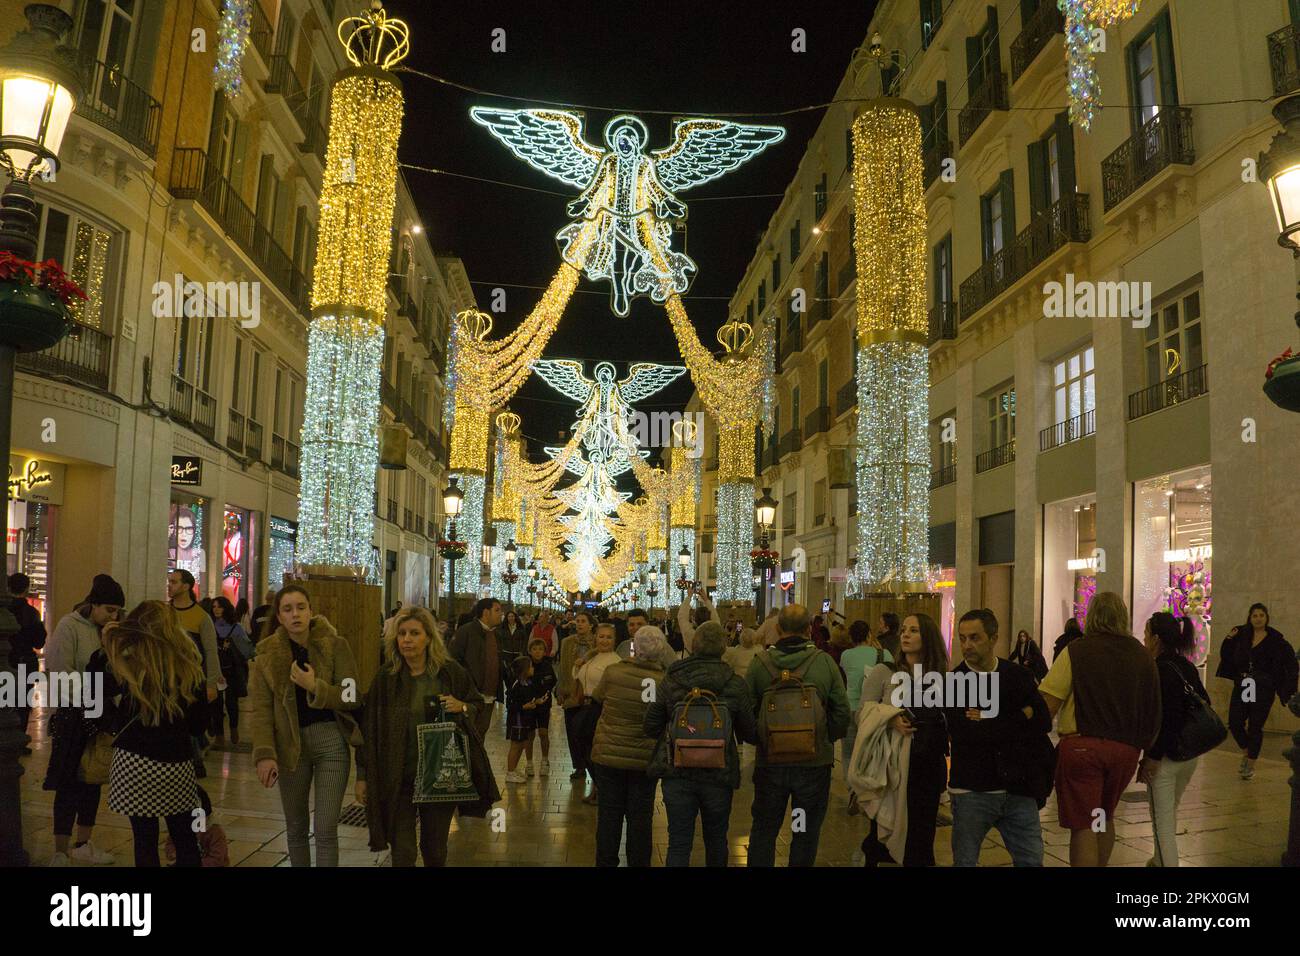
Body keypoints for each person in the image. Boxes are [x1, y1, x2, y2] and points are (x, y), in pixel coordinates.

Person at [355, 606, 497, 867]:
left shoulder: (449, 673)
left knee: (434, 850)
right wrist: (362, 775)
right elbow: (369, 729)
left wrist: (461, 706)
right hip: (398, 777)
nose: (406, 639)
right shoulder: (386, 678)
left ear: (429, 637)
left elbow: (476, 703)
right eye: (402, 634)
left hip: (438, 777)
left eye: (414, 633)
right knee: (403, 853)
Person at [1037, 591, 1161, 867]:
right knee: (1103, 816)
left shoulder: (1077, 651)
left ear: (1091, 617)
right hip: (1125, 751)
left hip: (1083, 748)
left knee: (1084, 824)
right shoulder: (1142, 656)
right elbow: (1153, 710)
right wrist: (1150, 755)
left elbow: (1048, 703)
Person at [249, 584, 361, 867]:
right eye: (288, 609)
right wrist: (264, 754)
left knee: (325, 828)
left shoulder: (336, 645)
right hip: (290, 746)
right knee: (296, 827)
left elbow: (352, 695)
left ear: (311, 611)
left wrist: (316, 687)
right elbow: (261, 712)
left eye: (301, 607)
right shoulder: (266, 656)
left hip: (330, 743)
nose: (295, 614)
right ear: (279, 616)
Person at [101, 600, 208, 867]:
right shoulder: (189, 666)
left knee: (144, 841)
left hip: (134, 763)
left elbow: (98, 697)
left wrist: (108, 644)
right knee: (184, 836)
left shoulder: (126, 663)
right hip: (176, 764)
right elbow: (198, 725)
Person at [744, 604, 850, 867]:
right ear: (808, 630)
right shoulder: (824, 663)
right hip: (812, 766)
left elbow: (746, 711)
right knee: (803, 828)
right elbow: (842, 711)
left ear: (778, 629)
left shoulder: (760, 664)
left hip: (772, 764)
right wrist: (825, 739)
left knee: (765, 828)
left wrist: (761, 739)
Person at [644, 620, 757, 866]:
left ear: (693, 645)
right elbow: (749, 732)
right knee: (717, 840)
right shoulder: (734, 683)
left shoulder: (671, 679)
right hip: (719, 774)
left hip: (677, 772)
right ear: (724, 647)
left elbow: (650, 725)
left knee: (679, 842)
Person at [947, 609, 1053, 867]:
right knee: (965, 861)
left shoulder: (1017, 676)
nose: (967, 645)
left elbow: (1043, 721)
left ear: (993, 638)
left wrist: (989, 719)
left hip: (1018, 788)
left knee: (1031, 860)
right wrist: (1019, 716)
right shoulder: (955, 682)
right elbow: (968, 734)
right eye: (962, 638)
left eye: (975, 638)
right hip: (972, 790)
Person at [42, 573, 124, 866]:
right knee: (68, 782)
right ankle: (60, 850)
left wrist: (109, 644)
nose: (113, 616)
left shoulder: (109, 631)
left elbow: (117, 674)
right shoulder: (68, 627)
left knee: (91, 780)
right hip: (71, 715)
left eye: (117, 611)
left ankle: (83, 842)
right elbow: (60, 673)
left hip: (98, 718)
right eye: (109, 610)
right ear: (93, 604)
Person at [858, 613, 949, 867]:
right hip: (892, 765)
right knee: (883, 834)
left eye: (914, 630)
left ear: (927, 636)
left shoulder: (940, 676)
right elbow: (862, 713)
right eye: (904, 630)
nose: (906, 635)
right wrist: (890, 718)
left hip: (927, 765)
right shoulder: (884, 671)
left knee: (922, 836)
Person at [588, 625, 668, 866]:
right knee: (640, 818)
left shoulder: (614, 672)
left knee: (609, 816)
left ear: (634, 647)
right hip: (645, 759)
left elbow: (598, 699)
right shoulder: (663, 681)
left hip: (610, 755)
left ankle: (606, 862)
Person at [1143, 612, 1211, 866]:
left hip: (1166, 759)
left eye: (1147, 634)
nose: (1144, 639)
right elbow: (1205, 702)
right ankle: (1158, 861)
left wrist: (1152, 757)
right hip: (1190, 755)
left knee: (1162, 826)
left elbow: (1166, 720)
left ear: (1157, 638)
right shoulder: (1186, 666)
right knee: (1169, 813)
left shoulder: (1159, 670)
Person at [1217, 603, 1298, 780]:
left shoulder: (1275, 639)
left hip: (1262, 686)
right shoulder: (1242, 635)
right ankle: (1247, 751)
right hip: (1246, 684)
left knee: (1255, 725)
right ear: (1250, 617)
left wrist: (1286, 686)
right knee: (1235, 722)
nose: (1258, 618)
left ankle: (1250, 763)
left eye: (1261, 615)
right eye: (1255, 615)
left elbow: (1290, 661)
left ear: (1266, 617)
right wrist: (1228, 639)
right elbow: (1226, 655)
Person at [838, 620, 893, 810]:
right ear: (870, 635)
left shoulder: (845, 655)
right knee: (872, 752)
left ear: (851, 637)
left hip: (850, 707)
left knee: (848, 752)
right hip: (873, 710)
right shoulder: (883, 654)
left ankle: (852, 789)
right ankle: (870, 792)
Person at [571, 623, 621, 804]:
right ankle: (597, 787)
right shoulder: (593, 657)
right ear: (595, 638)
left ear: (614, 640)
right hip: (584, 706)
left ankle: (602, 788)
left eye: (609, 637)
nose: (604, 640)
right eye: (601, 636)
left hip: (598, 707)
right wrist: (579, 665)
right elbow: (578, 676)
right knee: (584, 749)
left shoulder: (614, 661)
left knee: (593, 750)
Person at [448, 597, 505, 740]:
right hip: (471, 697)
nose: (501, 614)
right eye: (497, 610)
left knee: (480, 735)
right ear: (486, 613)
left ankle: (477, 762)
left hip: (489, 696)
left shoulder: (496, 634)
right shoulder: (466, 632)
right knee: (467, 736)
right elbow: (452, 662)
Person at [7, 573, 46, 753]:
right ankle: (19, 742)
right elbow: (39, 642)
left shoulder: (4, 611)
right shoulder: (32, 613)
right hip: (25, 664)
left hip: (6, 661)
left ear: (8, 588)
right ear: (26, 589)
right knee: (22, 705)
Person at [558, 611, 597, 783]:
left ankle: (591, 765)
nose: (580, 624)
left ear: (591, 625)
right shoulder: (567, 643)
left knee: (588, 733)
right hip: (571, 692)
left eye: (583, 621)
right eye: (578, 621)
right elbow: (563, 668)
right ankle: (579, 766)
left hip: (590, 694)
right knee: (572, 731)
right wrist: (560, 690)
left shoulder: (597, 643)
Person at [210, 595, 254, 747]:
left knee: (231, 703)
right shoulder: (209, 626)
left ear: (225, 608)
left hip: (232, 671)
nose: (216, 610)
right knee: (215, 704)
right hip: (215, 670)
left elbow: (247, 650)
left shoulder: (236, 627)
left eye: (219, 606)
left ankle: (234, 729)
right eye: (214, 606)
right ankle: (219, 735)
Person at [505, 656, 547, 783]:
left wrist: (538, 701)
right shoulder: (516, 685)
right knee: (515, 745)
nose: (533, 668)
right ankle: (510, 772)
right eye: (530, 666)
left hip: (525, 720)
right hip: (517, 720)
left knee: (522, 745)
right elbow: (511, 704)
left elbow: (528, 698)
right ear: (524, 669)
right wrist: (524, 706)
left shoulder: (528, 683)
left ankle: (514, 769)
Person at [165, 786, 229, 867]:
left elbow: (217, 858)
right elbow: (170, 843)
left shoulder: (214, 831)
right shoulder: (181, 826)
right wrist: (174, 854)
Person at [524, 638, 556, 775]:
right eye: (535, 649)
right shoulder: (526, 665)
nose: (537, 652)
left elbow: (552, 682)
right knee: (530, 734)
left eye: (540, 649)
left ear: (544, 652)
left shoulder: (548, 666)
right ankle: (529, 762)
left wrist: (544, 697)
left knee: (543, 732)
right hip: (530, 705)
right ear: (530, 651)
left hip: (543, 704)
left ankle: (544, 760)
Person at [676, 586, 719, 654]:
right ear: (710, 618)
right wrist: (705, 598)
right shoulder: (715, 632)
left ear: (694, 621)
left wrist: (689, 596)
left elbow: (682, 616)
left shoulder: (690, 633)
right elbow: (715, 618)